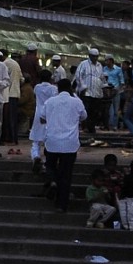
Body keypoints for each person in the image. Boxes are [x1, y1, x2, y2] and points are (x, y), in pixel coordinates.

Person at [37, 77, 87, 212]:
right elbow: (84, 117)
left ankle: (53, 180)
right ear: (70, 88)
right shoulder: (77, 102)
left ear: (57, 88)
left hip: (52, 141)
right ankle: (61, 205)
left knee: (50, 165)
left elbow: (42, 118)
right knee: (66, 175)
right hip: (70, 143)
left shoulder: (50, 102)